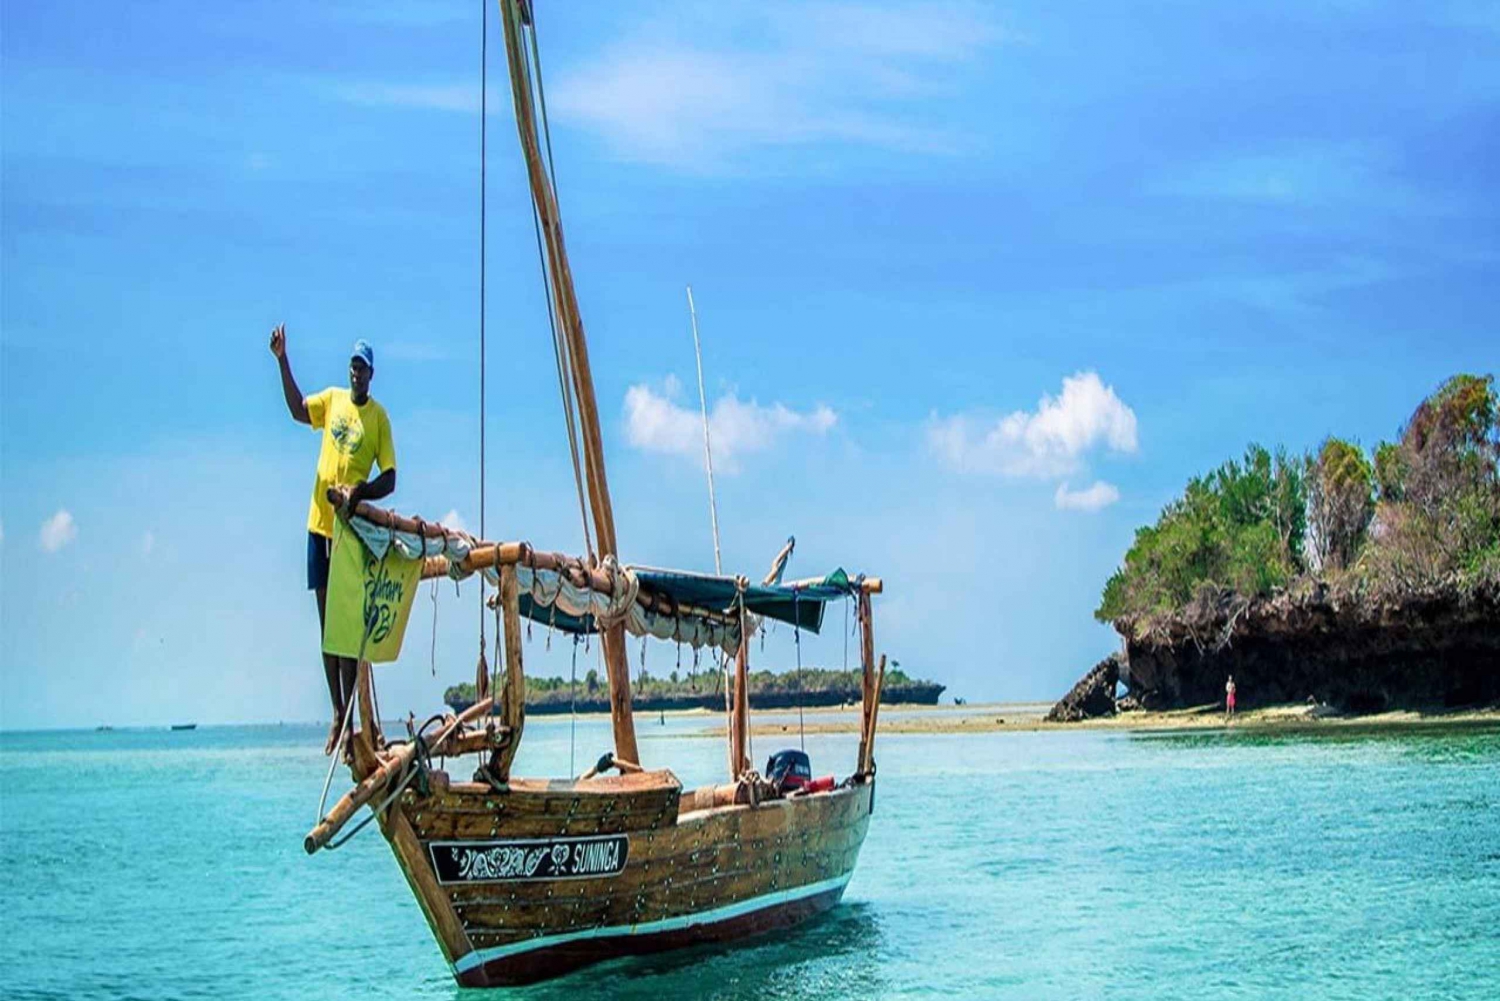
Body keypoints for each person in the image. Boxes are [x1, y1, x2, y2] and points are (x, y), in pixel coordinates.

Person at [269, 324, 397, 754]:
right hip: (319, 526)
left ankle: (352, 722)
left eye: (363, 370)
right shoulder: (334, 400)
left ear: (372, 376)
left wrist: (359, 493)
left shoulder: (378, 418)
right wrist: (283, 359)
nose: (356, 375)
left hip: (351, 532)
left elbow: (391, 478)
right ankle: (338, 713)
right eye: (353, 367)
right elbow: (297, 410)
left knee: (347, 629)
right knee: (327, 628)